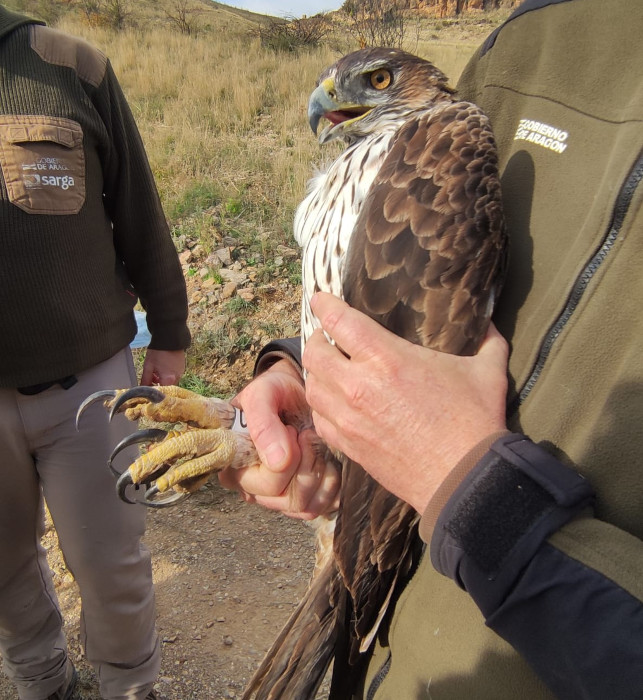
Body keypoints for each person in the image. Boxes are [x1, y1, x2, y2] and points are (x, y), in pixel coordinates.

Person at [220, 0, 643, 697]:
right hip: (414, 640)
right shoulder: (537, 36)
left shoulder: (454, 125)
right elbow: (438, 294)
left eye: (378, 80)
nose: (338, 99)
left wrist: (471, 487)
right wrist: (308, 374)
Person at [0, 6, 190, 700]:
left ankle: (128, 687)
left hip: (88, 387)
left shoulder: (67, 65)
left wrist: (167, 332)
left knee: (112, 563)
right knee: (5, 568)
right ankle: (43, 683)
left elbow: (138, 207)